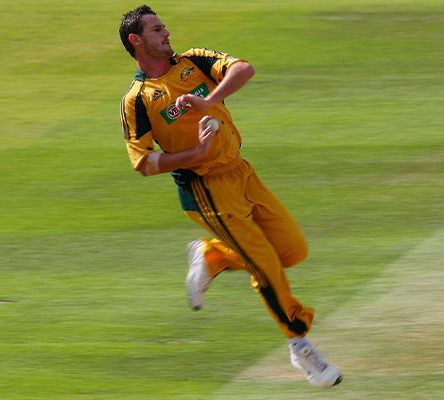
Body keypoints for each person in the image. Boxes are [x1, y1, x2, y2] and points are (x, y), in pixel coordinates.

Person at [119, 5, 342, 388]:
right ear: (136, 41)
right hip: (206, 188)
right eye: (157, 30)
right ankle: (299, 344)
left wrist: (208, 101)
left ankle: (214, 255)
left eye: (164, 26)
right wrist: (193, 155)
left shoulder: (194, 61)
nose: (166, 33)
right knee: (266, 266)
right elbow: (142, 161)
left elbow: (244, 69)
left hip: (243, 173)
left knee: (292, 251)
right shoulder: (138, 99)